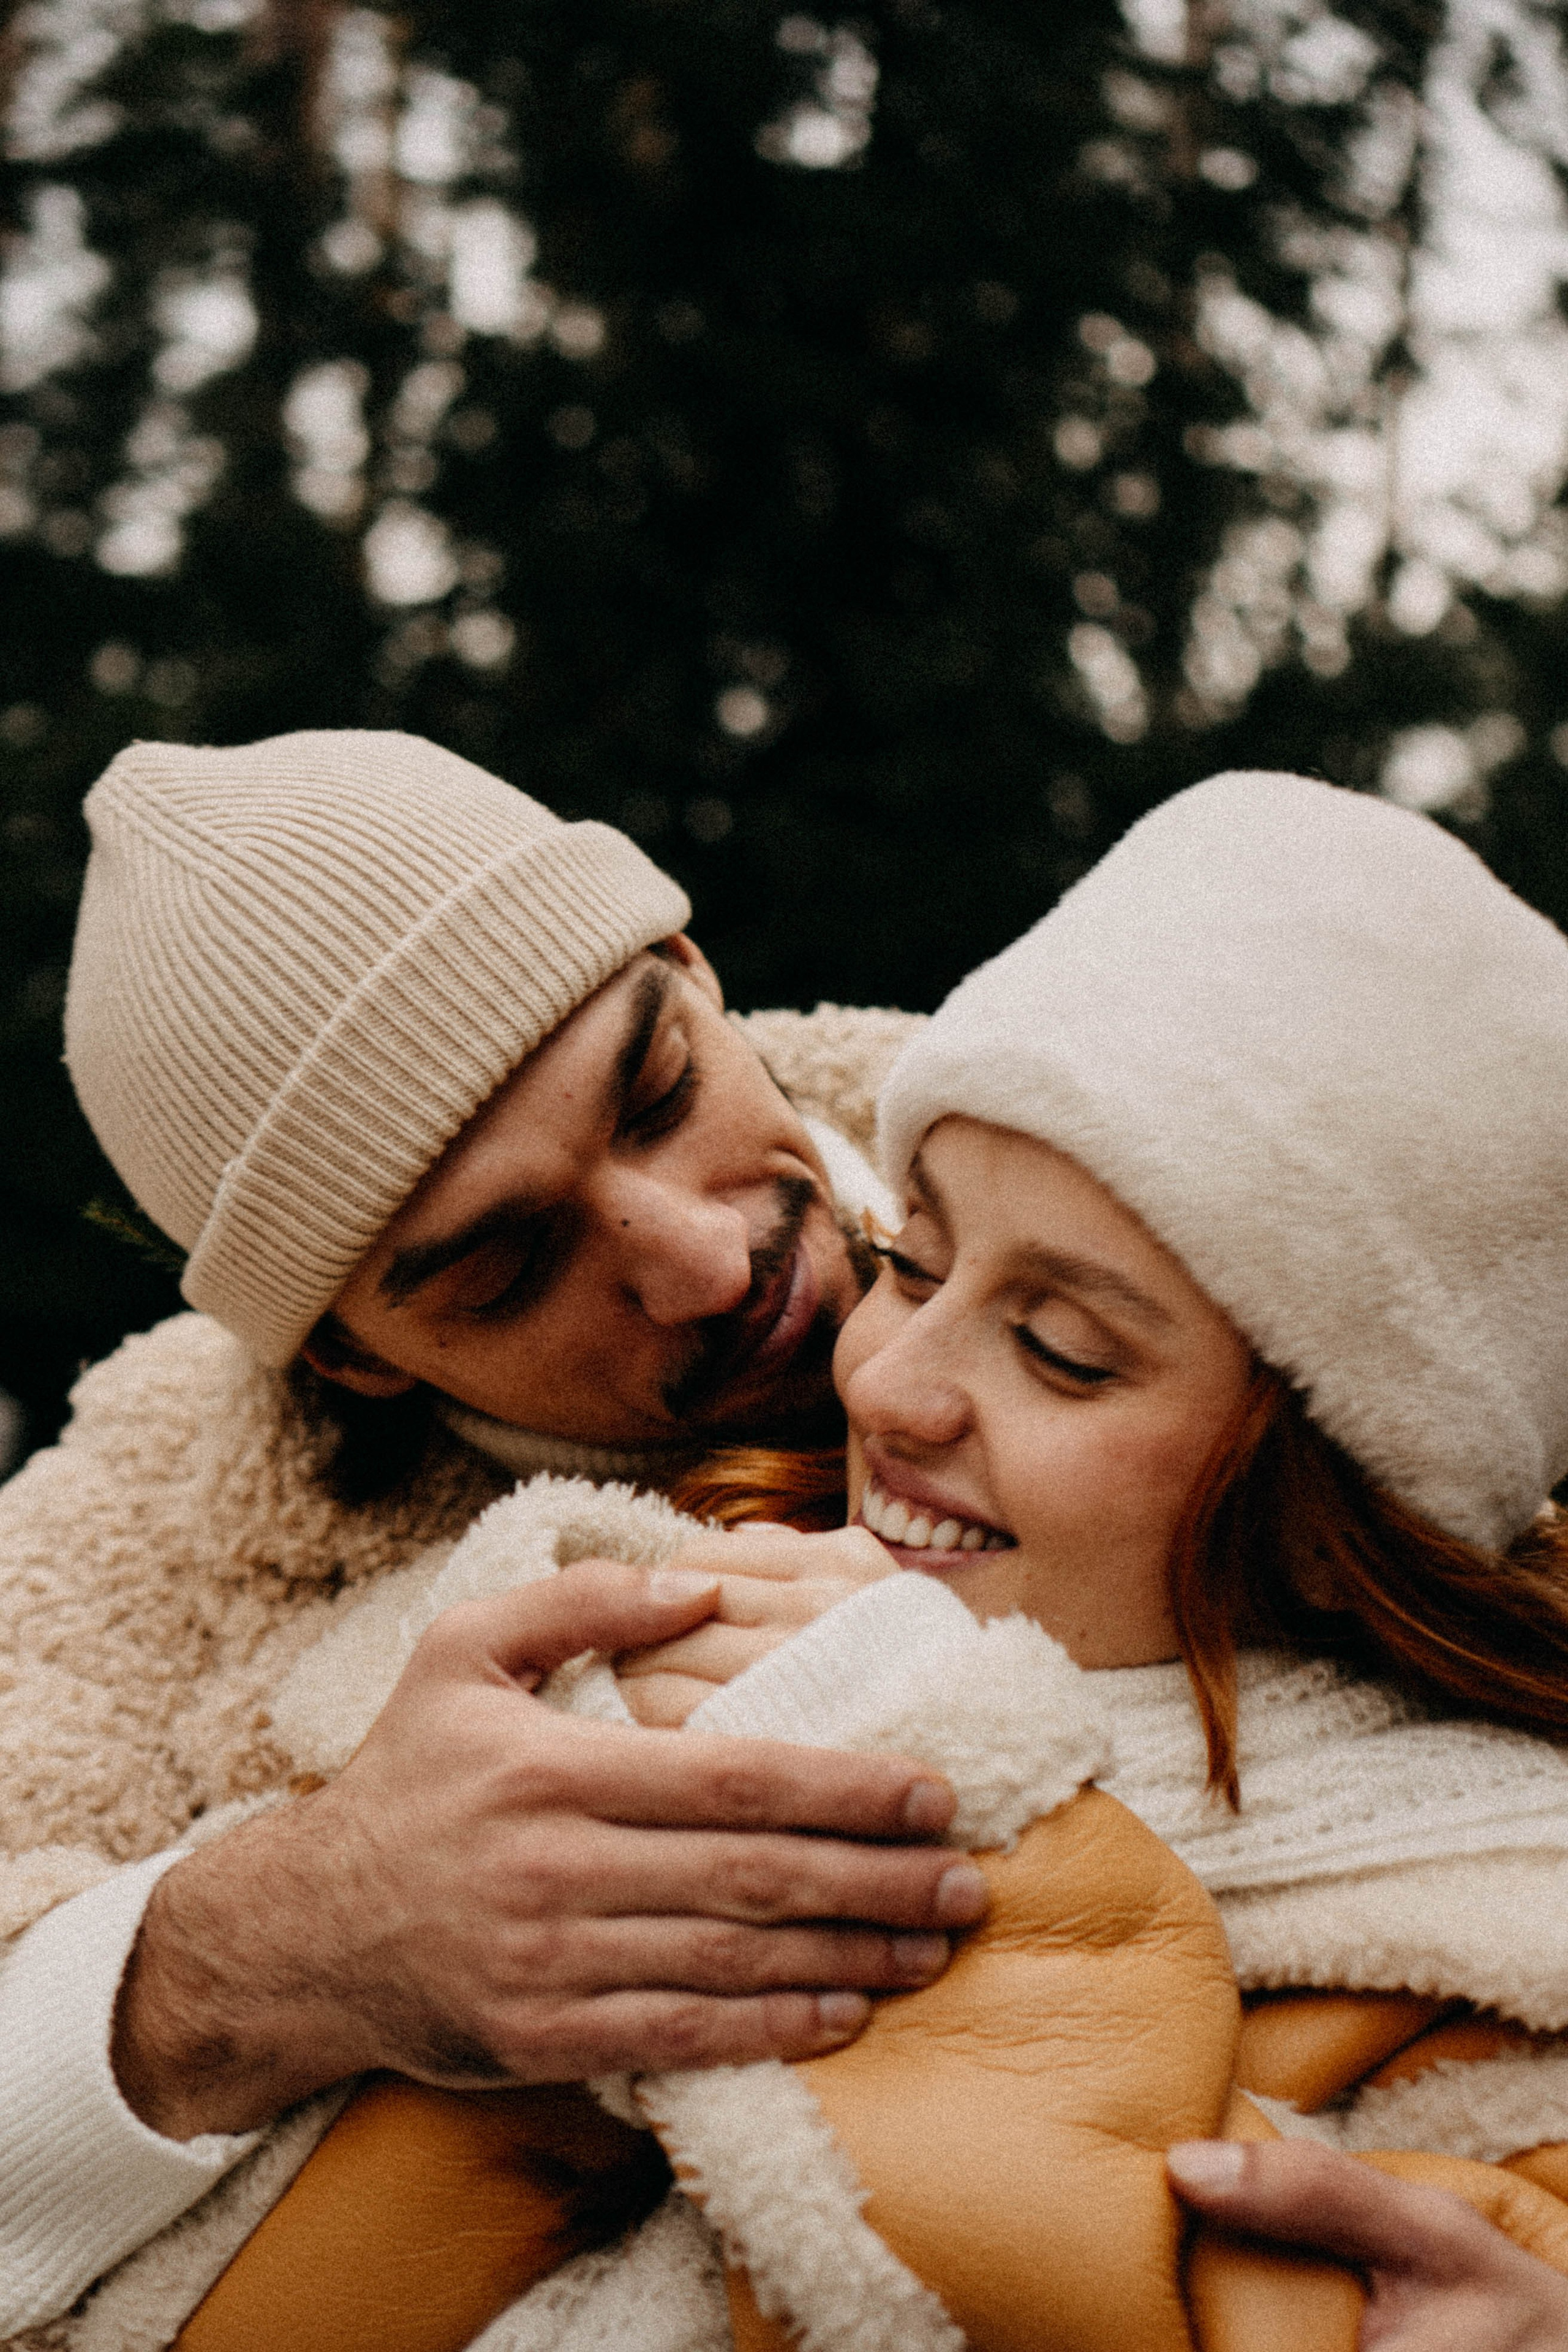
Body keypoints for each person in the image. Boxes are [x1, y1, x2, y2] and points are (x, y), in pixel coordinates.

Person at [189, 766, 1568, 2350]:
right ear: (359, 1356)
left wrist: (931, 1761)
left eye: (1059, 1348)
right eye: (913, 1259)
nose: (882, 1375)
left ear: (1348, 1492)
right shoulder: (563, 1656)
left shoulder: (1497, 1934)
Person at [0, 729, 986, 2339]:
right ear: (351, 1353)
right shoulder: (137, 1541)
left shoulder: (1138, 1158)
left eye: (660, 1091)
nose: (707, 1263)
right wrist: (292, 1940)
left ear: (686, 959)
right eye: (507, 1267)